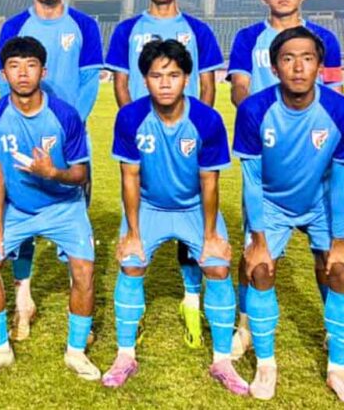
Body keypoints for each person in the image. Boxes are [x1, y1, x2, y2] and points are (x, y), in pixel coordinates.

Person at [226, 0, 344, 367]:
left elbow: (336, 95)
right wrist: (266, 124)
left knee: (329, 256)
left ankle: (335, 331)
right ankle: (246, 328)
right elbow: (239, 89)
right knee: (254, 253)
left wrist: (313, 134)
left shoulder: (325, 39)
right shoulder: (248, 38)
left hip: (317, 165)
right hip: (268, 160)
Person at [102, 40, 245, 394]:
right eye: (156, 76)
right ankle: (124, 356)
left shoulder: (207, 120)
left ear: (187, 79)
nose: (165, 83)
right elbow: (130, 178)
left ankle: (222, 361)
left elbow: (209, 182)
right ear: (144, 80)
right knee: (131, 263)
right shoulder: (130, 117)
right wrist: (133, 233)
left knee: (217, 266)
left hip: (193, 207)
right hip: (149, 207)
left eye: (174, 75)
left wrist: (210, 236)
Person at [105, 0, 225, 349]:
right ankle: (135, 319)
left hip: (187, 136)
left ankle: (191, 300)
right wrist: (141, 128)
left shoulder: (198, 30)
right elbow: (121, 83)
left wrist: (192, 131)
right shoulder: (127, 30)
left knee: (192, 209)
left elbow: (207, 85)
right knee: (146, 209)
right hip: (145, 137)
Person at [0, 37, 99, 381]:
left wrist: (52, 173)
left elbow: (81, 174)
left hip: (64, 206)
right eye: (14, 66)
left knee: (84, 271)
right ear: (3, 74)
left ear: (43, 71)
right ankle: (0, 350)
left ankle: (76, 352)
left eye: (30, 65)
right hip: (18, 208)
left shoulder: (65, 114)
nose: (23, 73)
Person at [0, 0, 103, 341]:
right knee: (21, 210)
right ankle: (23, 301)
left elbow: (90, 81)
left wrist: (67, 125)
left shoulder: (85, 25)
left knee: (73, 215)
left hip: (69, 139)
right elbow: (4, 80)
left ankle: (78, 309)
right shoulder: (14, 25)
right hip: (22, 136)